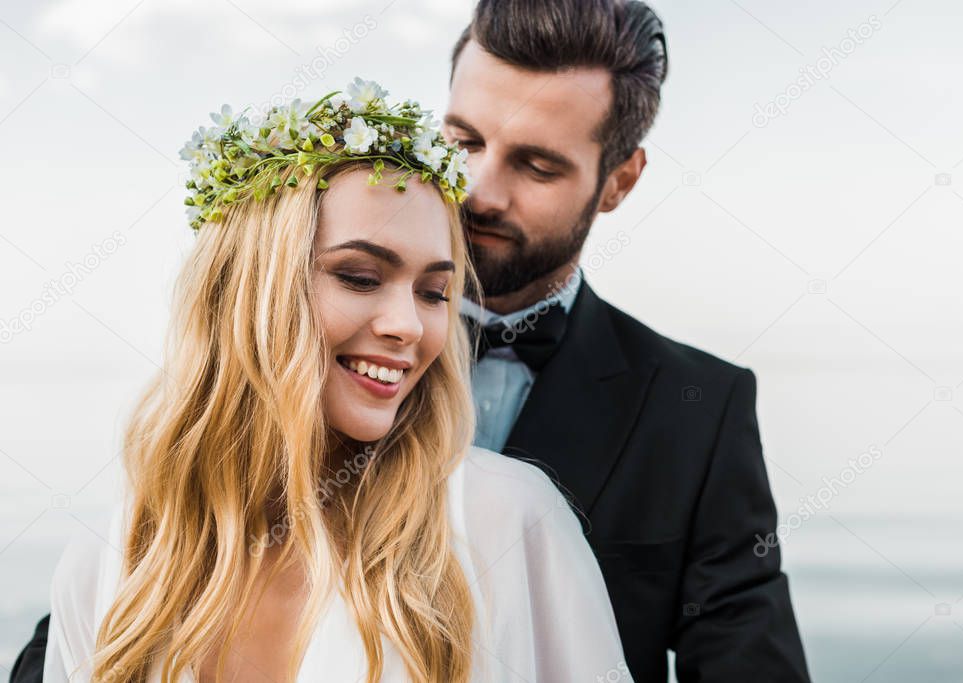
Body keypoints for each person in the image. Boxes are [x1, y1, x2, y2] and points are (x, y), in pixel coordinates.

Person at [32, 80, 629, 682]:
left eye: (433, 293)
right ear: (248, 291)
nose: (409, 327)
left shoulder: (506, 520)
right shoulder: (110, 566)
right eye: (362, 277)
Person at [446, 1, 812, 681]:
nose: (479, 192)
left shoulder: (700, 408)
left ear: (619, 181)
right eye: (464, 141)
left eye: (535, 165)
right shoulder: (312, 352)